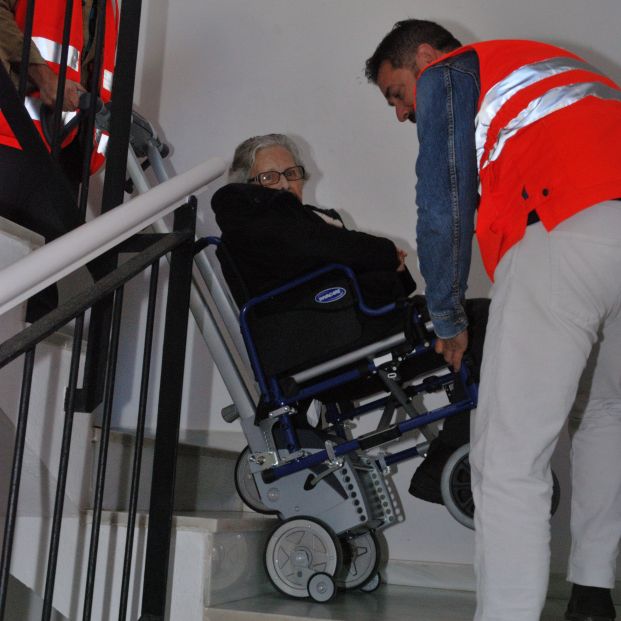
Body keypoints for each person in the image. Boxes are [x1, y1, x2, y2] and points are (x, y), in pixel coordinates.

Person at [365, 19, 621, 621]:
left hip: (565, 233)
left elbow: (444, 201)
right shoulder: (556, 65)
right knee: (609, 414)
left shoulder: (450, 74)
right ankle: (590, 594)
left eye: (397, 93)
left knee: (507, 463)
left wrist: (448, 316)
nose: (402, 113)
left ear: (425, 57)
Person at [212, 133, 483, 504]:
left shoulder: (298, 223)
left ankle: (457, 456)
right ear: (248, 184)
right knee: (478, 320)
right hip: (327, 347)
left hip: (346, 333)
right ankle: (451, 462)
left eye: (292, 173)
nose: (286, 184)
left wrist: (381, 261)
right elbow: (336, 256)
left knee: (474, 320)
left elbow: (378, 279)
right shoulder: (258, 216)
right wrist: (384, 253)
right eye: (270, 177)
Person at [0, 0, 118, 319]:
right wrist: (42, 75)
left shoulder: (110, 7)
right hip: (10, 131)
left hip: (62, 147)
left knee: (39, 285)